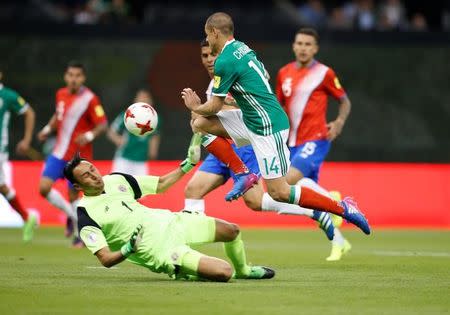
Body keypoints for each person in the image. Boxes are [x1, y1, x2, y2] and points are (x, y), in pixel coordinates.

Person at [181, 12, 370, 236]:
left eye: (207, 36)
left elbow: (213, 106)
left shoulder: (225, 60)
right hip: (253, 120)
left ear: (214, 32)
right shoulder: (241, 48)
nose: (208, 42)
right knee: (199, 123)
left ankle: (343, 208)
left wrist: (194, 105)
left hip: (268, 127)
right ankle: (242, 173)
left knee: (279, 192)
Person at [63, 141, 275, 282]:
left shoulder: (116, 179)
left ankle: (245, 271)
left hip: (172, 221)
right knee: (224, 273)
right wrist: (128, 249)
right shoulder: (85, 215)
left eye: (92, 169)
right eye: (86, 176)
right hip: (161, 251)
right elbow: (105, 259)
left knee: (232, 231)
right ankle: (182, 271)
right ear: (78, 187)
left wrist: (188, 164)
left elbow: (162, 184)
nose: (94, 175)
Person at [275, 28, 353, 260]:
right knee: (305, 197)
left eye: (308, 44)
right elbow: (278, 108)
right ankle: (339, 241)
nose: (303, 48)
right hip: (291, 143)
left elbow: (345, 101)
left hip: (316, 140)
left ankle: (334, 201)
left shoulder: (324, 73)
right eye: (299, 43)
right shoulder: (284, 73)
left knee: (286, 182)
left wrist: (338, 122)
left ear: (315, 48)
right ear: (293, 46)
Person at [37, 60, 108, 246]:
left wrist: (90, 135)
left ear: (83, 78)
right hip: (58, 153)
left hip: (77, 160)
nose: (73, 79)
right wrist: (46, 129)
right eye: (70, 75)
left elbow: (102, 124)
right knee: (43, 188)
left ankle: (79, 234)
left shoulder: (90, 99)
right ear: (65, 76)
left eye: (77, 76)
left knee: (74, 197)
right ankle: (72, 216)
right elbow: (58, 115)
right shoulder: (60, 94)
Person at [0, 70, 37, 242]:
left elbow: (29, 112)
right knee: (2, 187)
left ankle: (26, 217)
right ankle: (26, 217)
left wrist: (26, 140)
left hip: (0, 148)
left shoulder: (8, 96)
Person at [108, 89, 161, 175]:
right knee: (117, 183)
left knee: (139, 187)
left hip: (141, 160)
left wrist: (153, 150)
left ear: (151, 101)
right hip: (124, 158)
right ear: (135, 100)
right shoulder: (127, 115)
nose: (143, 100)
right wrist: (118, 139)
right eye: (141, 97)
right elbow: (111, 131)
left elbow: (155, 135)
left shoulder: (155, 118)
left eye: (146, 98)